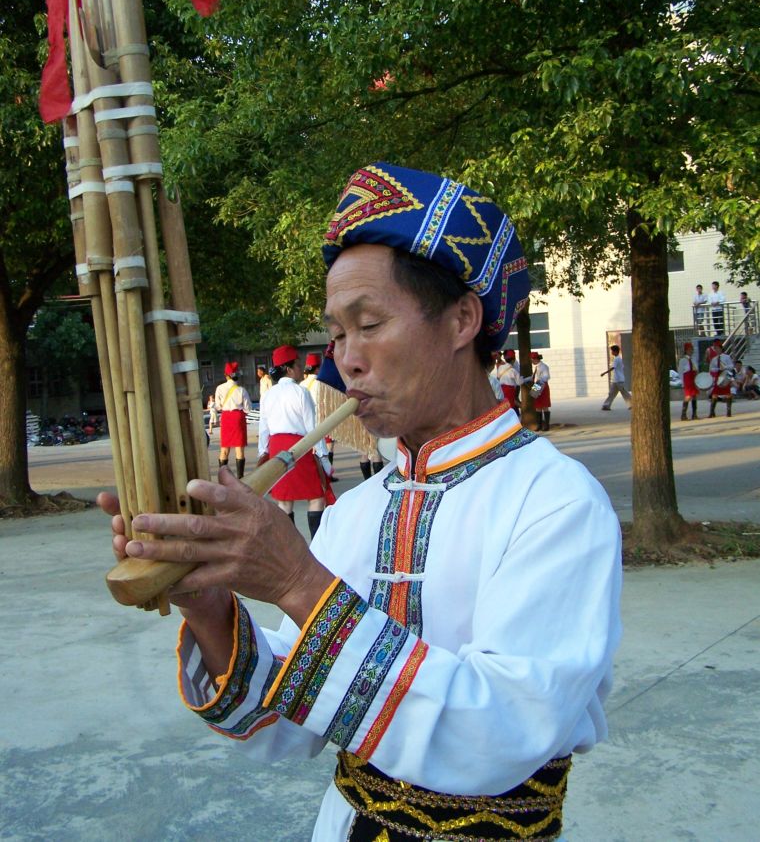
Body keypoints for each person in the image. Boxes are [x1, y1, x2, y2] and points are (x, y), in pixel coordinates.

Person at [99, 162, 622, 842]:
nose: (344, 358)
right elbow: (287, 725)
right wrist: (206, 599)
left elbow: (502, 732)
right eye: (336, 334)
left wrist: (296, 581)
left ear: (464, 317)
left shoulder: (556, 503)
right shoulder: (355, 510)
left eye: (368, 323)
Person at [257, 344, 334, 539]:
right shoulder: (301, 392)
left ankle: (290, 546)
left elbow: (263, 429)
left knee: (284, 500)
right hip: (299, 448)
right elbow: (313, 429)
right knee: (316, 495)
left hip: (276, 449)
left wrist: (262, 454)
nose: (302, 368)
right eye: (298, 364)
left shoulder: (268, 395)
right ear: (289, 368)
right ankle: (316, 543)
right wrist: (324, 457)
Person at [213, 362, 252, 479]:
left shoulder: (219, 388)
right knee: (239, 448)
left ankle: (222, 478)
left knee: (224, 448)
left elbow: (218, 406)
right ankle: (240, 478)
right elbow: (248, 408)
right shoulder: (241, 390)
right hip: (238, 418)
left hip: (226, 418)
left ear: (226, 375)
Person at [600, 345, 632, 411]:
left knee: (624, 393)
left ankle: (632, 404)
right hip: (615, 380)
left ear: (615, 351)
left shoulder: (617, 359)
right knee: (611, 393)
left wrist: (604, 373)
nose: (611, 352)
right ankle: (606, 406)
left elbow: (613, 368)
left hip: (619, 380)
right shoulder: (618, 359)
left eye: (612, 351)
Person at [708, 342, 735, 417]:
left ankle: (728, 411)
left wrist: (725, 367)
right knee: (715, 393)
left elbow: (731, 366)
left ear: (721, 348)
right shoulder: (714, 359)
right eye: (715, 349)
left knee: (727, 393)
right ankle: (712, 412)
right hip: (718, 376)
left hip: (725, 376)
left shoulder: (727, 357)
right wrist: (717, 369)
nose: (716, 350)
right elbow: (711, 369)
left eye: (717, 348)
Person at [529, 350, 552, 431]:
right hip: (537, 385)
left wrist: (538, 386)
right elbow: (533, 377)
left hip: (542, 385)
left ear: (535, 359)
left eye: (532, 360)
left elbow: (547, 377)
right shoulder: (537, 367)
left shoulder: (544, 366)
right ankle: (539, 425)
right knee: (537, 406)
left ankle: (546, 425)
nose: (531, 362)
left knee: (545, 406)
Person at [677, 341, 699, 420]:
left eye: (691, 349)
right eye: (689, 349)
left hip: (693, 378)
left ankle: (694, 414)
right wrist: (682, 382)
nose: (691, 351)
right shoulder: (683, 360)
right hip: (687, 379)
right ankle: (683, 415)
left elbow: (696, 369)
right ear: (686, 350)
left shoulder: (693, 359)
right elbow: (680, 372)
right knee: (688, 396)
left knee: (694, 396)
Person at [498, 348, 522, 415]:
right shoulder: (513, 367)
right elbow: (519, 380)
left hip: (540, 384)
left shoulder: (501, 367)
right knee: (512, 403)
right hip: (539, 384)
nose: (532, 361)